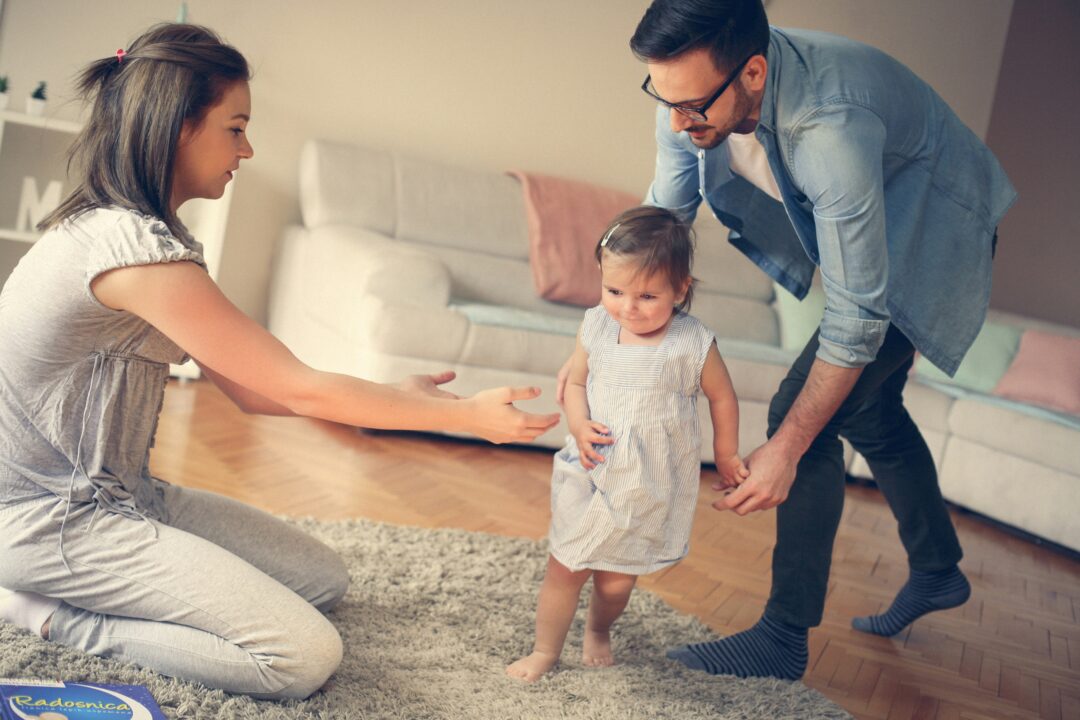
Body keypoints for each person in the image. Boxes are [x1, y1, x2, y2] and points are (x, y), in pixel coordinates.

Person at [0, 23, 559, 699]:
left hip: (125, 498)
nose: (248, 149)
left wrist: (398, 394)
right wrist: (469, 419)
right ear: (180, 126)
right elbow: (298, 390)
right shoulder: (129, 251)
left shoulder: (152, 237)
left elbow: (254, 389)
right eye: (235, 128)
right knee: (300, 655)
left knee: (322, 579)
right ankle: (51, 614)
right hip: (53, 521)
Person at [558, 0, 1017, 681]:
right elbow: (664, 227)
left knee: (798, 416)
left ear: (752, 72)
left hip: (936, 225)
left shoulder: (828, 132)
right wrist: (607, 336)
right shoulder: (688, 96)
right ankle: (938, 568)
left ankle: (783, 636)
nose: (678, 122)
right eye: (666, 99)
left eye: (693, 107)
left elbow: (858, 316)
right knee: (867, 407)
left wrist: (785, 450)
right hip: (874, 203)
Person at [508, 206, 747, 682]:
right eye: (614, 290)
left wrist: (726, 454)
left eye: (647, 296)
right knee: (567, 564)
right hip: (593, 468)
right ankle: (544, 651)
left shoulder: (692, 343)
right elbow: (576, 384)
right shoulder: (597, 325)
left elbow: (723, 398)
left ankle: (599, 630)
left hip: (646, 482)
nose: (627, 307)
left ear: (682, 290)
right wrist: (578, 424)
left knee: (615, 582)